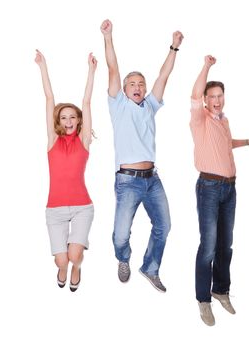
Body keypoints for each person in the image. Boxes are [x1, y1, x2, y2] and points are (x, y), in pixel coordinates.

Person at [100, 19, 183, 293]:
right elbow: (113, 68)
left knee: (165, 225)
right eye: (132, 83)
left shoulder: (149, 105)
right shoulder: (119, 105)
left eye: (141, 84)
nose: (137, 86)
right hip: (127, 181)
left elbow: (163, 76)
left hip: (152, 180)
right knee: (121, 234)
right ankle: (123, 258)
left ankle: (150, 267)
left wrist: (174, 47)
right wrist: (108, 37)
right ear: (124, 90)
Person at [190, 55, 249, 326]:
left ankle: (220, 290)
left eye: (220, 95)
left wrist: (248, 142)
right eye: (212, 96)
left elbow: (225, 144)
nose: (217, 100)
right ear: (206, 100)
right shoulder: (200, 119)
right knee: (208, 246)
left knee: (225, 245)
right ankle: (203, 300)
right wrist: (206, 66)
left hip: (230, 189)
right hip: (208, 187)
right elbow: (194, 94)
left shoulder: (223, 120)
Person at [35, 49, 97, 292]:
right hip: (55, 210)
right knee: (61, 259)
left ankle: (76, 268)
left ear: (79, 121)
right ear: (58, 122)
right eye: (64, 118)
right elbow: (49, 98)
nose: (69, 121)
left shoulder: (83, 141)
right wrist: (43, 66)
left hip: (82, 206)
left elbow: (87, 102)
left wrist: (91, 71)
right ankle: (63, 269)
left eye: (73, 117)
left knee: (75, 256)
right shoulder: (53, 142)